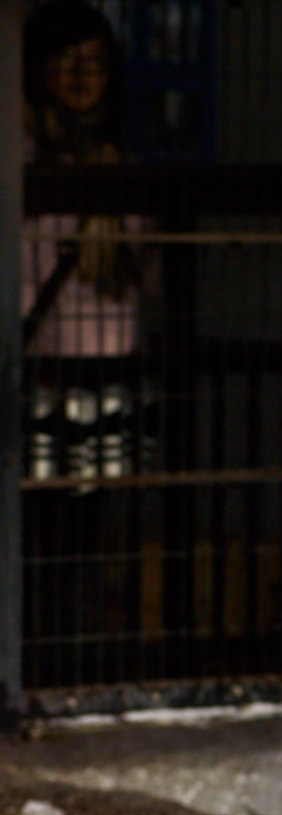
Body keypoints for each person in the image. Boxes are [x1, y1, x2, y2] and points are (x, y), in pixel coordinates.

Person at [22, 0, 147, 484]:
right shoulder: (23, 164)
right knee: (42, 501)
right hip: (42, 366)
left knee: (96, 500)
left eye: (95, 61)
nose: (83, 75)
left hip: (110, 365)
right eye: (67, 59)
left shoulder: (123, 167)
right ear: (39, 68)